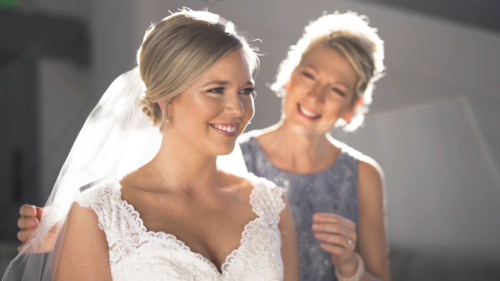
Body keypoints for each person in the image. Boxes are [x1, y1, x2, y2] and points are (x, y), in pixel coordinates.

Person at [16, 11, 389, 281]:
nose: (238, 108)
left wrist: (349, 267)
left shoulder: (271, 204)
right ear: (166, 98)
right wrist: (73, 234)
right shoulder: (98, 213)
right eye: (216, 90)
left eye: (246, 91)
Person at [238, 13, 390, 281]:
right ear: (290, 77)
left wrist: (348, 265)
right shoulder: (233, 155)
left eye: (337, 90)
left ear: (352, 108)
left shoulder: (364, 175)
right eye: (309, 76)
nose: (315, 95)